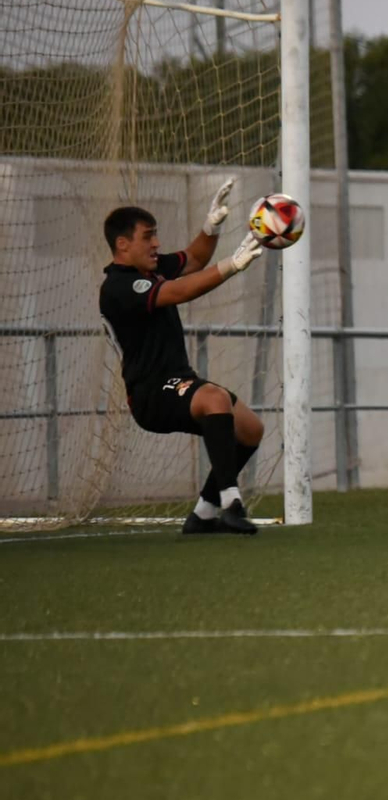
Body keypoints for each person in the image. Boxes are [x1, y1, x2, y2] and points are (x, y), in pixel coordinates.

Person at [99, 180, 268, 535]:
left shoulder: (151, 269)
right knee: (214, 398)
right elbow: (177, 291)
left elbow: (194, 259)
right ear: (123, 244)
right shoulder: (118, 286)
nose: (156, 243)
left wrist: (211, 226)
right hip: (149, 393)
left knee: (251, 429)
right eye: (148, 236)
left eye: (156, 235)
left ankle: (203, 516)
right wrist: (231, 266)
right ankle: (231, 504)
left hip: (177, 380)